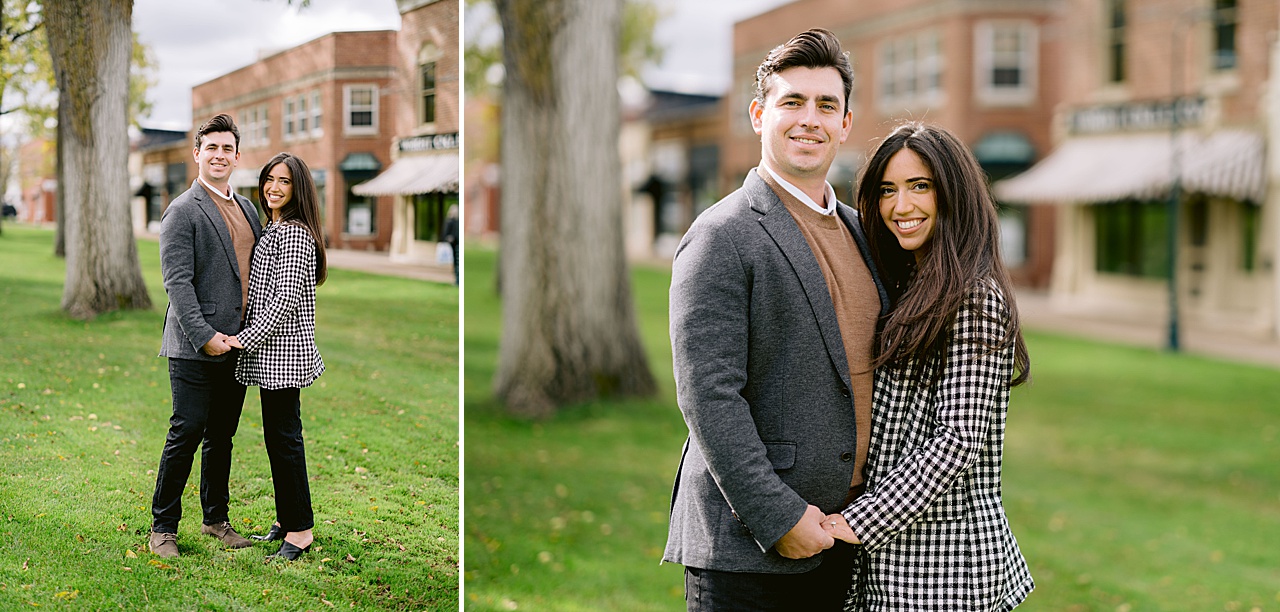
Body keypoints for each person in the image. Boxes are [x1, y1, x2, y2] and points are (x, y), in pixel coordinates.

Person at [663, 28, 888, 610]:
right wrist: (779, 516)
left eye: (826, 105)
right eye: (792, 102)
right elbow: (709, 395)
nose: (809, 119)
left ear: (845, 123)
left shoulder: (864, 233)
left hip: (845, 539)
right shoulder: (722, 235)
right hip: (749, 550)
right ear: (759, 114)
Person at [825, 121, 1034, 610]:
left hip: (945, 571)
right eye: (887, 191)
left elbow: (958, 441)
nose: (901, 207)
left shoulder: (975, 298)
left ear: (953, 195)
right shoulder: (908, 285)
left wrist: (858, 520)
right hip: (894, 562)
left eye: (920, 186)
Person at [151, 113, 261, 557]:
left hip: (239, 344)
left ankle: (216, 519)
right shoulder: (182, 210)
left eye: (226, 148)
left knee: (222, 435)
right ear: (197, 154)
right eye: (211, 147)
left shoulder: (249, 209)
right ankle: (163, 529)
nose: (219, 155)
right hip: (195, 345)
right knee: (187, 429)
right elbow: (177, 283)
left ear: (237, 156)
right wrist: (204, 336)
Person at [225, 152, 327, 560]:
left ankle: (300, 530)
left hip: (283, 353)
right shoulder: (275, 227)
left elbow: (283, 299)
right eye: (269, 179)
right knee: (277, 438)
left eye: (284, 181)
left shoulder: (296, 233)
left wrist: (244, 339)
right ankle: (287, 519)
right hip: (271, 354)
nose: (274, 187)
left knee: (285, 440)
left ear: (297, 188)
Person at [442, 204, 459, 286]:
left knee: (457, 261)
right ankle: (457, 279)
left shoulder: (457, 221)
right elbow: (445, 233)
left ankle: (458, 280)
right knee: (455, 261)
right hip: (453, 244)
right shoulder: (449, 221)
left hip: (457, 244)